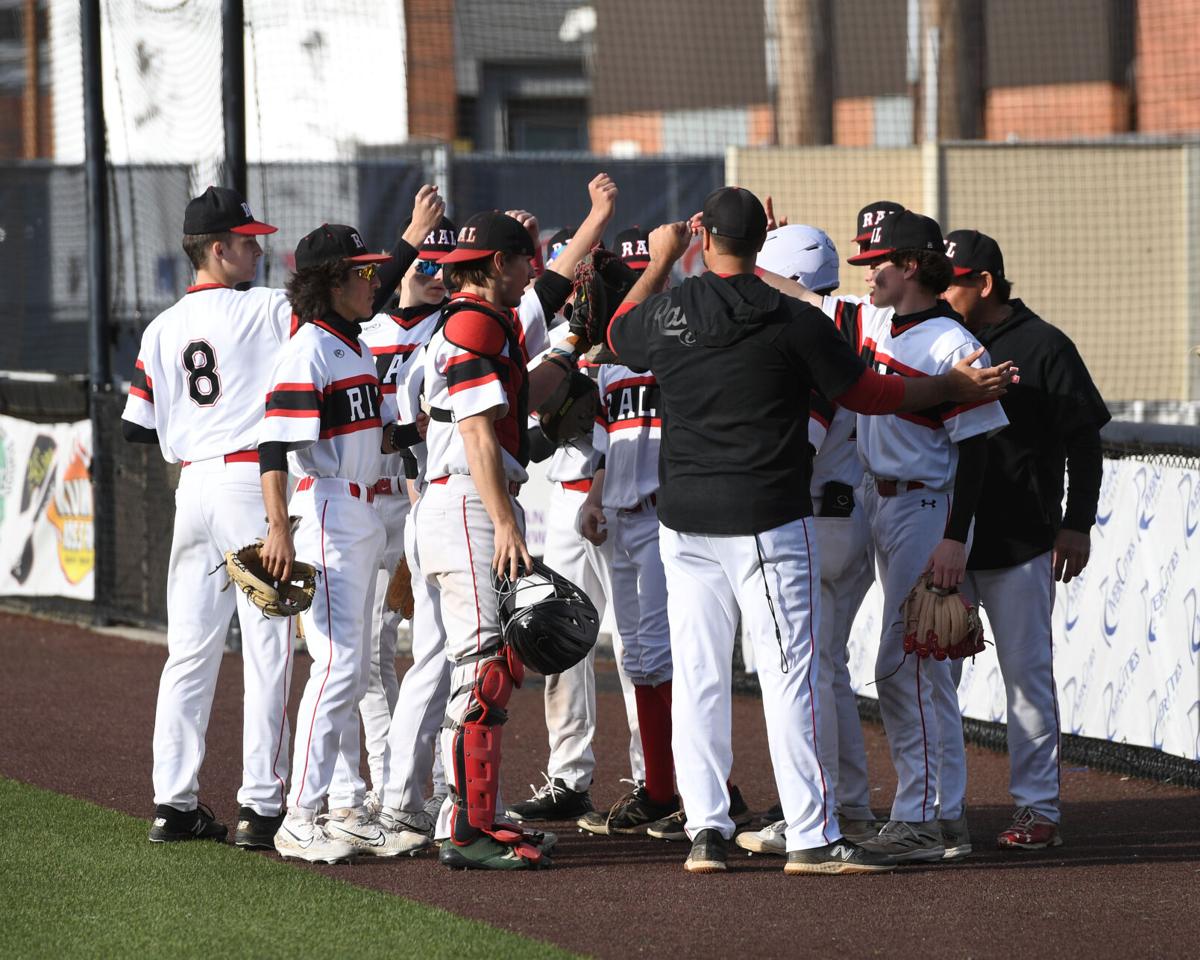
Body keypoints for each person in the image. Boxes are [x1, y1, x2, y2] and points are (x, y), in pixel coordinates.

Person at [604, 187, 1014, 875]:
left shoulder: (669, 310)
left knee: (702, 675)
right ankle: (813, 835)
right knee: (793, 676)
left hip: (683, 523)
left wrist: (661, 260)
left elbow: (616, 332)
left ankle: (706, 829)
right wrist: (947, 390)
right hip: (766, 518)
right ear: (762, 245)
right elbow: (869, 394)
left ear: (705, 243)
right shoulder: (790, 320)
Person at [785, 209, 1010, 863]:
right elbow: (806, 298)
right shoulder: (884, 320)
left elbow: (978, 451)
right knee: (918, 672)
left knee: (907, 667)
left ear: (911, 265)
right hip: (888, 508)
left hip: (927, 508)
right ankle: (941, 817)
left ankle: (923, 816)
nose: (867, 273)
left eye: (876, 262)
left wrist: (955, 538)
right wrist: (752, 256)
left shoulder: (951, 344)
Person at [418, 205, 590, 871]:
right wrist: (507, 523)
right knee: (484, 670)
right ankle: (467, 828)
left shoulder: (480, 321)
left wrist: (573, 346)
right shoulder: (471, 322)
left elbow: (519, 405)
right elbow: (478, 433)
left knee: (486, 667)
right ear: (498, 263)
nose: (532, 273)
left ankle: (467, 818)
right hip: (468, 497)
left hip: (465, 496)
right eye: (524, 260)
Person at [122, 185, 294, 848]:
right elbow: (335, 319)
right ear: (217, 249)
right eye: (247, 240)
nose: (258, 248)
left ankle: (174, 803)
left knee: (189, 654)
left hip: (191, 489)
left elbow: (137, 427)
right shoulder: (268, 309)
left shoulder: (161, 326)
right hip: (249, 486)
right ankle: (261, 805)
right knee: (268, 647)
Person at [257, 223, 427, 863]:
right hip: (326, 508)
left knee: (352, 669)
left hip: (362, 516)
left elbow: (382, 437)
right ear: (329, 282)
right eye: (359, 272)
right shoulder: (307, 350)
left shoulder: (350, 347)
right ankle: (298, 815)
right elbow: (272, 446)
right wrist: (277, 528)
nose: (371, 280)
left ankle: (343, 808)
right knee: (335, 667)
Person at [942, 229, 1109, 850]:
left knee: (1027, 679)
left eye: (953, 279)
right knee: (934, 682)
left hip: (1020, 540)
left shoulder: (1044, 345)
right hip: (945, 541)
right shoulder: (937, 336)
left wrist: (1077, 522)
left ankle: (1038, 811)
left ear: (984, 283)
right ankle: (937, 808)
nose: (942, 288)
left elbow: (1084, 440)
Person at [736, 223, 884, 857]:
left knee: (807, 675)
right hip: (846, 517)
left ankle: (827, 810)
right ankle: (847, 805)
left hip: (818, 523)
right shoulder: (839, 329)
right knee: (825, 670)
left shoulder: (812, 347)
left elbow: (796, 450)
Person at [330, 212, 455, 818]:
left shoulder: (450, 326)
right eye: (427, 263)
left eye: (448, 266)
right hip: (365, 501)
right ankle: (387, 783)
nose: (438, 276)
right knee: (370, 654)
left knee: (443, 649)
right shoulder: (363, 328)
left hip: (419, 501)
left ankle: (437, 782)